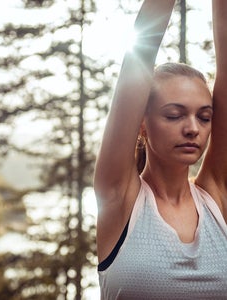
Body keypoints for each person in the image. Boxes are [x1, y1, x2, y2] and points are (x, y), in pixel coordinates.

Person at [93, 0, 227, 299]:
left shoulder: (216, 199)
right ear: (142, 124)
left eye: (204, 117)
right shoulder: (119, 197)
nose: (193, 127)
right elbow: (140, 53)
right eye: (174, 115)